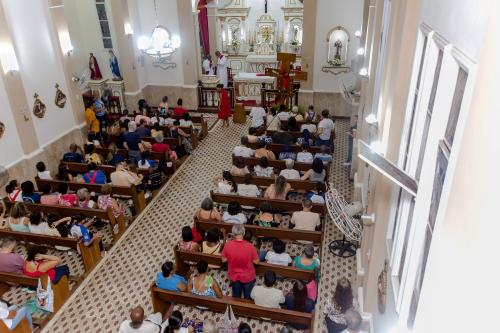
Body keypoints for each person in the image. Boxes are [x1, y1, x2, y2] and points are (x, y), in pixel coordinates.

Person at [221, 224, 259, 299]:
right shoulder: (250, 246)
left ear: (233, 234)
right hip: (248, 276)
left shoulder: (227, 245)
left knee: (236, 296)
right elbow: (256, 262)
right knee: (248, 297)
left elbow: (223, 260)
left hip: (234, 275)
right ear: (243, 233)